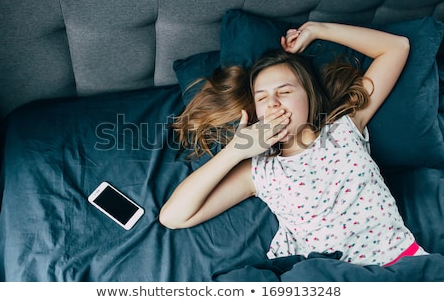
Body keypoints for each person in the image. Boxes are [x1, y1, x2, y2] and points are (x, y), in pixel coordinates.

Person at [160, 21, 428, 266]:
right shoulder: (260, 172)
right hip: (336, 280)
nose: (274, 103)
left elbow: (396, 47)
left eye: (285, 91)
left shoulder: (345, 127)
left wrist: (316, 30)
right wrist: (235, 150)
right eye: (262, 98)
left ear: (309, 96)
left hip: (403, 266)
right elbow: (173, 216)